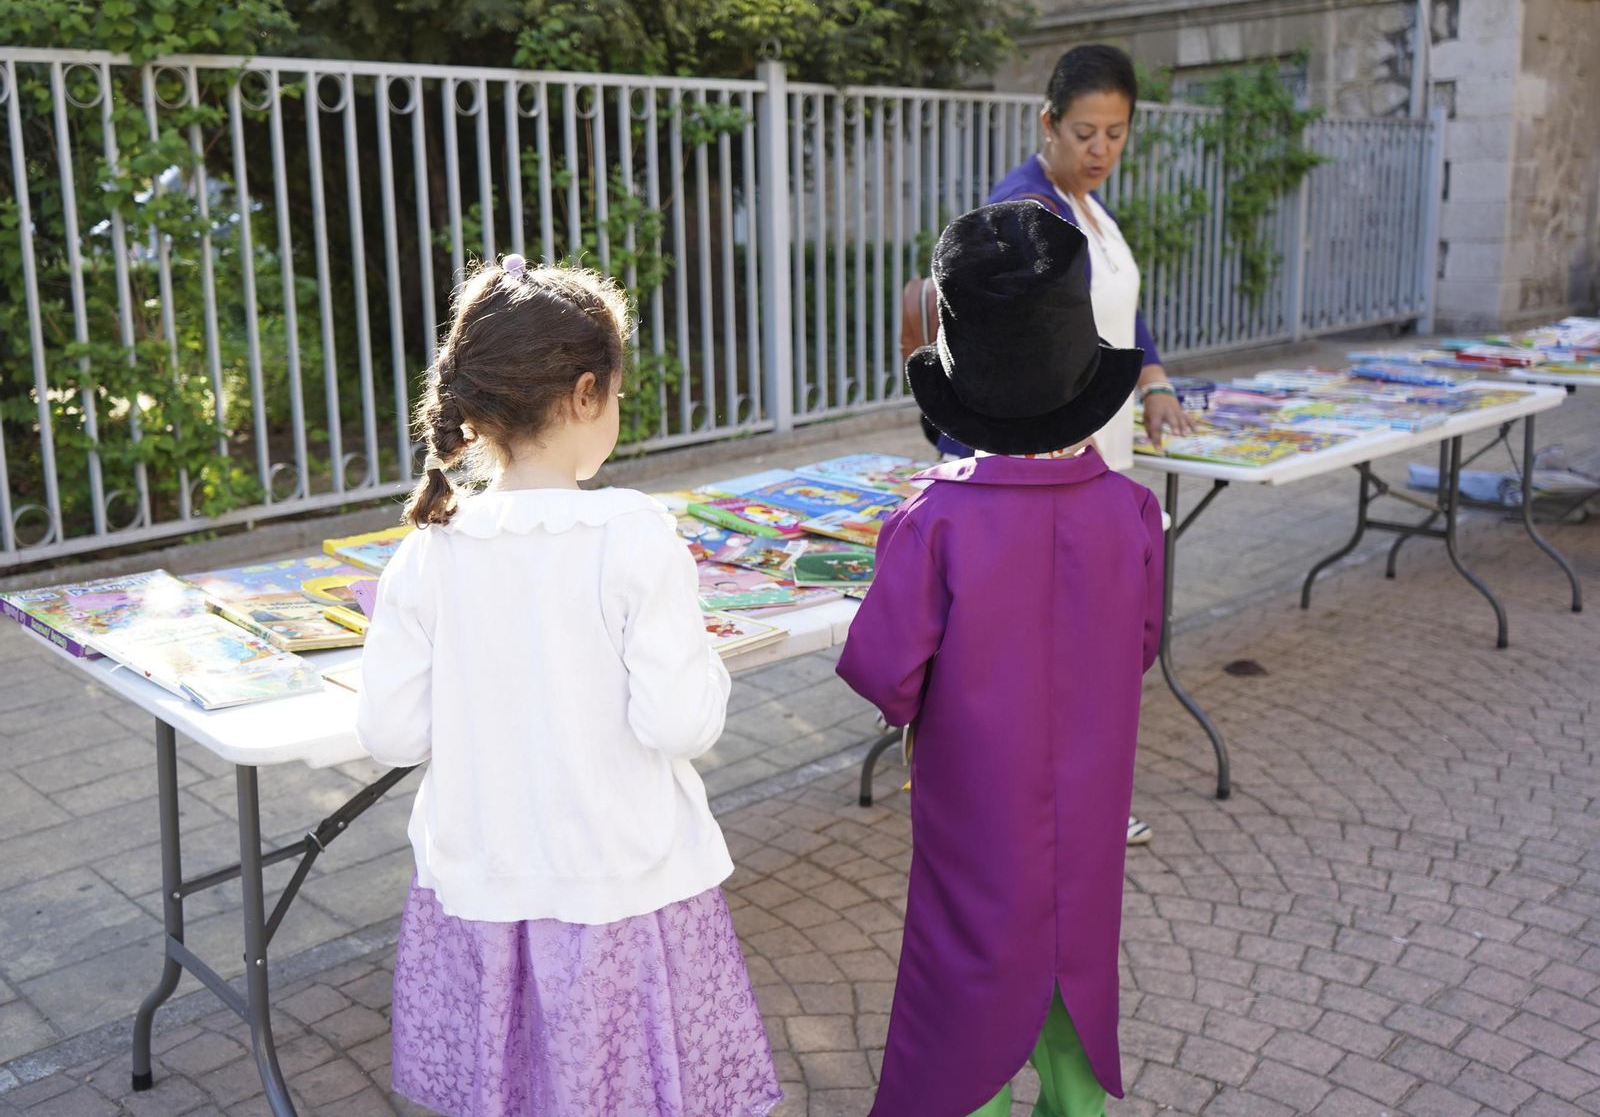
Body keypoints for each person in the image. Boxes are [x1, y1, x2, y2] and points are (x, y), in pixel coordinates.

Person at [356, 256, 782, 1117]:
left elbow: (393, 737)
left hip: (483, 888)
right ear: (587, 393)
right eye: (618, 393)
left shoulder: (431, 548)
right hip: (622, 889)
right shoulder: (631, 532)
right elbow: (679, 722)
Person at [839, 202, 1163, 1117]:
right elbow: (1140, 645)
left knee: (964, 982)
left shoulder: (933, 522)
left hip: (975, 806)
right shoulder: (1131, 514)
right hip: (1092, 802)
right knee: (1075, 959)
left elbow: (887, 677)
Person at [936, 43, 1183, 846]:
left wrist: (1153, 378)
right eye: (1085, 132)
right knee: (1052, 652)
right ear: (1047, 122)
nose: (1101, 150)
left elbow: (1120, 311)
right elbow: (999, 345)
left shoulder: (1090, 205)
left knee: (1087, 646)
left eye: (1116, 133)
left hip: (1093, 450)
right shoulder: (1027, 211)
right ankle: (1052, 812)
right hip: (1040, 461)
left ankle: (1082, 802)